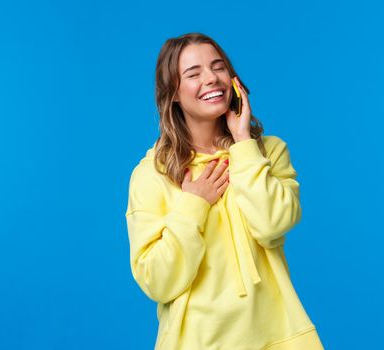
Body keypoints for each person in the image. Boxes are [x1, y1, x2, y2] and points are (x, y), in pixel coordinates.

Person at [125, 32, 325, 350]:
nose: (211, 79)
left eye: (218, 67)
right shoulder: (152, 175)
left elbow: (273, 224)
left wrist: (244, 143)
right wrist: (194, 203)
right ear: (172, 92)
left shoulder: (268, 153)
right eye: (193, 73)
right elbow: (157, 281)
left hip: (280, 338)